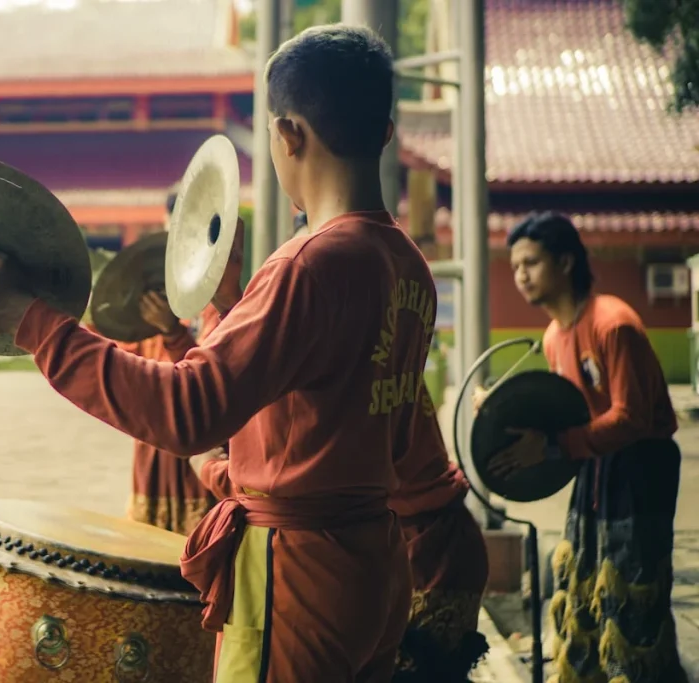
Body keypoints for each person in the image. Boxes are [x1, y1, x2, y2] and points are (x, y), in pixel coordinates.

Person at [0, 24, 429, 681]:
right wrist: (222, 313)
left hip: (301, 576)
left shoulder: (311, 264)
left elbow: (187, 410)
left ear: (287, 136)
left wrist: (34, 324)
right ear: (387, 132)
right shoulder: (406, 264)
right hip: (372, 566)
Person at [489, 212, 685, 683]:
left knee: (632, 587)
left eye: (531, 263)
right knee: (584, 580)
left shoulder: (614, 323)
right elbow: (567, 413)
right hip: (594, 463)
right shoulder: (555, 336)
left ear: (565, 261)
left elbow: (632, 418)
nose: (521, 276)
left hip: (641, 465)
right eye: (515, 266)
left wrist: (555, 446)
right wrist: (499, 409)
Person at [191, 383, 490, 682]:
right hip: (418, 542)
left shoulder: (334, 363)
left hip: (416, 551)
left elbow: (302, 486)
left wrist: (210, 467)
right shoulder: (379, 347)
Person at [105, 189, 219, 535]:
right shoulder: (150, 297)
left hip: (197, 447)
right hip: (153, 444)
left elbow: (211, 381)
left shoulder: (213, 303)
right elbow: (122, 362)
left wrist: (173, 332)